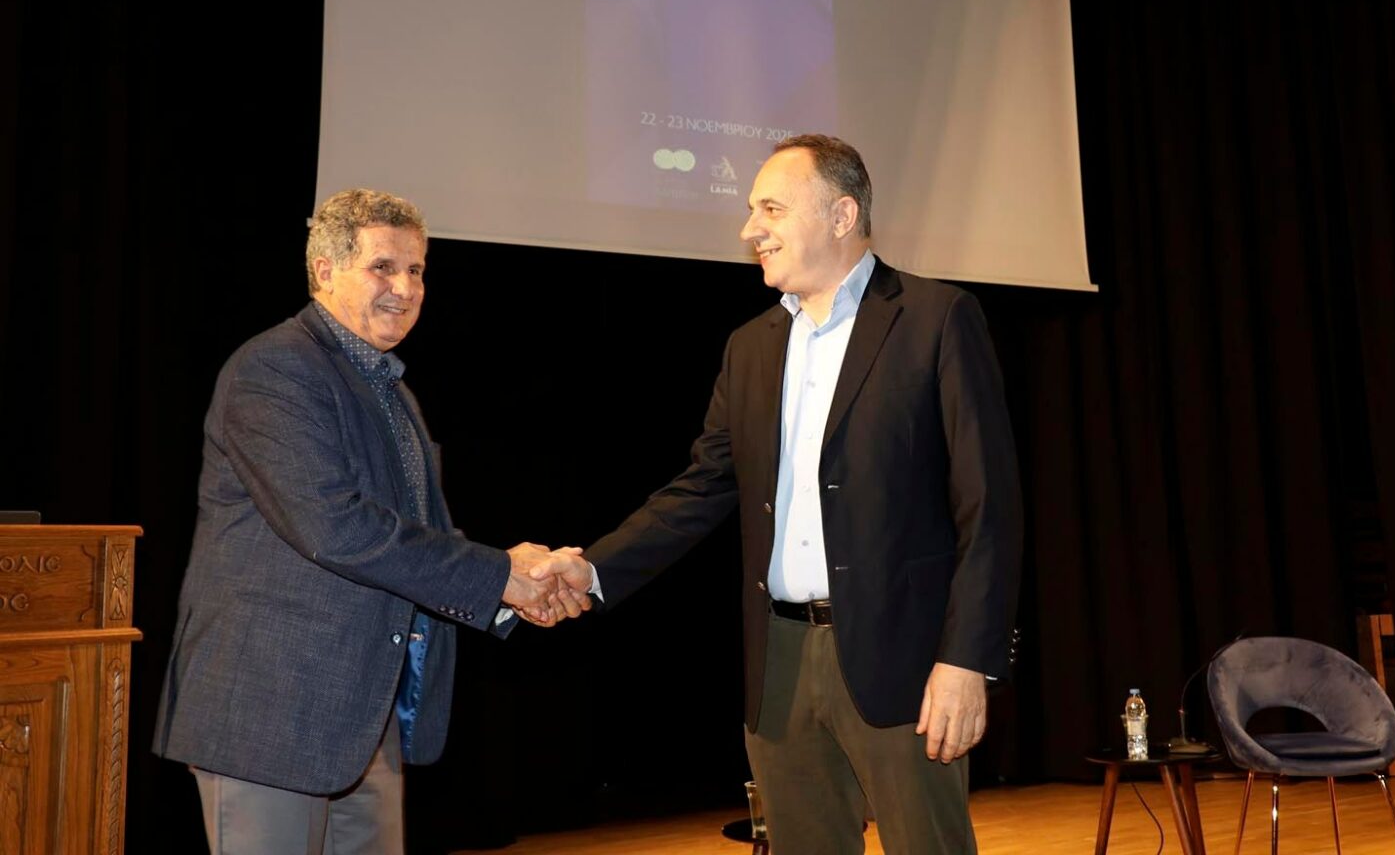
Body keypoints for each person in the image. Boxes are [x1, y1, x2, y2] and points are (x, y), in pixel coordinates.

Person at [532, 135, 1024, 853]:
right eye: (751, 210)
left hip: (907, 661)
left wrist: (967, 659)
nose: (749, 229)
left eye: (771, 208)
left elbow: (989, 507)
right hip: (781, 665)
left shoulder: (936, 318)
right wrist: (594, 568)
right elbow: (702, 488)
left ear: (841, 215)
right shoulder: (752, 345)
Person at [153, 188, 584, 855]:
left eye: (416, 270)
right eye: (383, 267)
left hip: (363, 717)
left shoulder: (392, 389)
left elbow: (417, 533)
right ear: (325, 270)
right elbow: (339, 530)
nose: (405, 289)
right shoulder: (274, 369)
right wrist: (502, 575)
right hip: (271, 716)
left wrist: (511, 589)